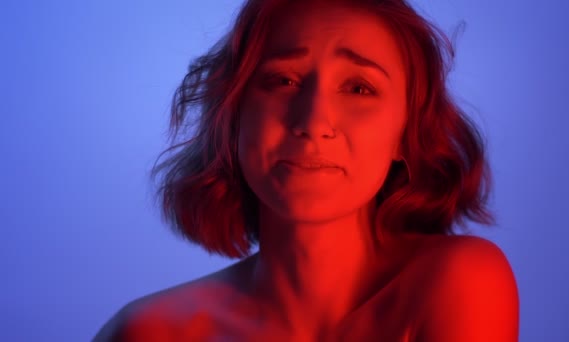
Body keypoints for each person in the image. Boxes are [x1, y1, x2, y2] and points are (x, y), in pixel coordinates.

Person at [93, 0, 519, 340]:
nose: (314, 122)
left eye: (359, 88)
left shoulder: (462, 282)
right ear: (233, 116)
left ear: (405, 137)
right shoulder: (148, 332)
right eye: (284, 81)